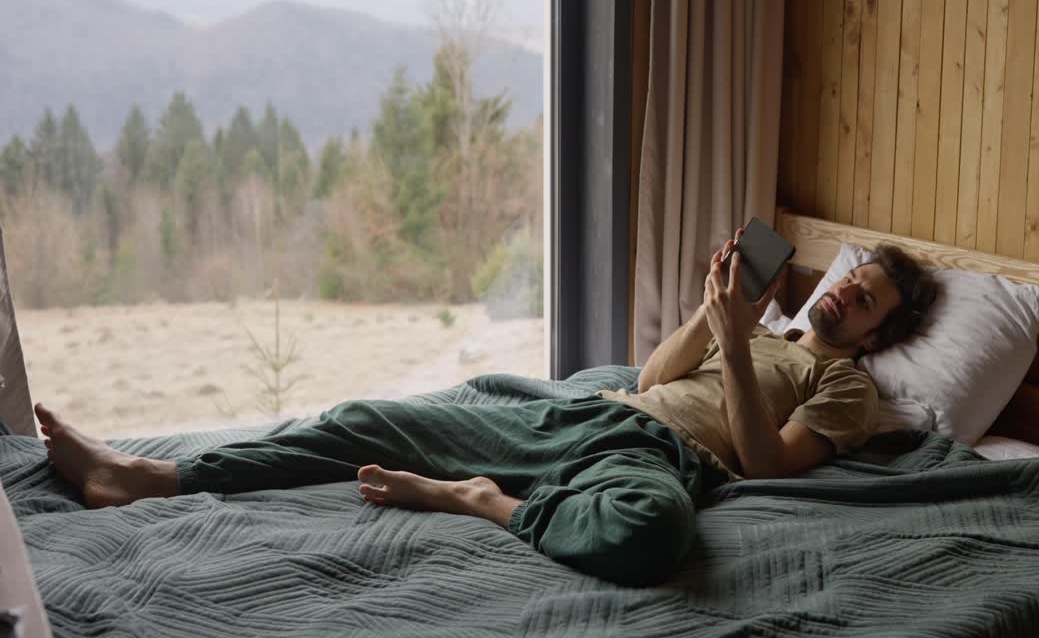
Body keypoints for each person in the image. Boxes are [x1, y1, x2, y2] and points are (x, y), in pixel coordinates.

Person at [35, 228, 937, 585]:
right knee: (366, 421)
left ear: (869, 337)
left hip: (661, 461)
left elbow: (766, 463)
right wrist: (716, 321)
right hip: (591, 416)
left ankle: (478, 498)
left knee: (650, 535)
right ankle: (149, 475)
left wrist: (738, 353)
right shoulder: (756, 321)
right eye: (848, 282)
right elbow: (655, 376)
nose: (842, 297)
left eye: (863, 303)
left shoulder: (846, 387)